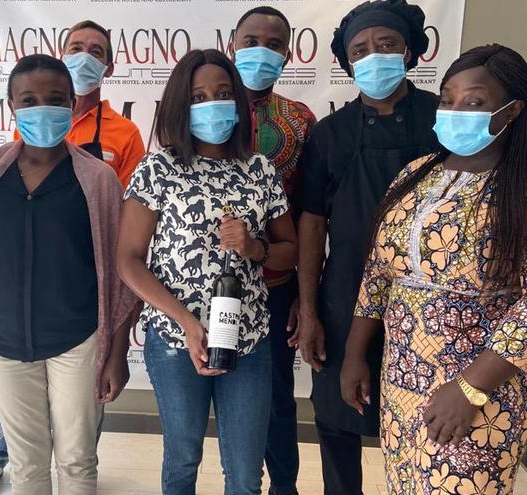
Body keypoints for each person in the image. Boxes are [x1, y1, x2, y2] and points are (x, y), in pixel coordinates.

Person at [295, 1, 527, 493]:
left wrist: (471, 387)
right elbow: (377, 270)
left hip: (479, 387)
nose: (455, 112)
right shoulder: (417, 174)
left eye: (473, 102)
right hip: (400, 374)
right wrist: (352, 351)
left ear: (511, 110)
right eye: (449, 100)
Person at [0, 20, 147, 495]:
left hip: (77, 340)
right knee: (25, 465)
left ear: (72, 106)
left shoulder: (98, 179)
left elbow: (122, 270)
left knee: (77, 460)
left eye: (55, 100)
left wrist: (118, 349)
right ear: (11, 107)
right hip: (3, 343)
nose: (42, 108)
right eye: (29, 100)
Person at [117, 48, 298, 494]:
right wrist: (185, 321)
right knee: (182, 458)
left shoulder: (260, 170)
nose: (211, 103)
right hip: (178, 342)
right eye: (198, 96)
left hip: (249, 339)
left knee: (244, 471)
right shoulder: (158, 168)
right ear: (181, 104)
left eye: (221, 93)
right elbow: (128, 260)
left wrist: (256, 247)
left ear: (238, 102)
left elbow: (289, 251)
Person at [232, 7, 316, 495]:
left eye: (273, 42)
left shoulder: (300, 120)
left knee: (278, 399)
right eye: (251, 40)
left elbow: (309, 214)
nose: (261, 50)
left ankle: (284, 487)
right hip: (209, 285)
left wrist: (305, 298)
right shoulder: (192, 114)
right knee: (217, 394)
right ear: (232, 43)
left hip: (276, 286)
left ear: (287, 52)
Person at [11, 20, 146, 187]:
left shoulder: (127, 134)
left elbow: (130, 203)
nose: (84, 58)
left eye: (95, 52)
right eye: (76, 49)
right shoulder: (33, 122)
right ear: (63, 59)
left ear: (108, 69)